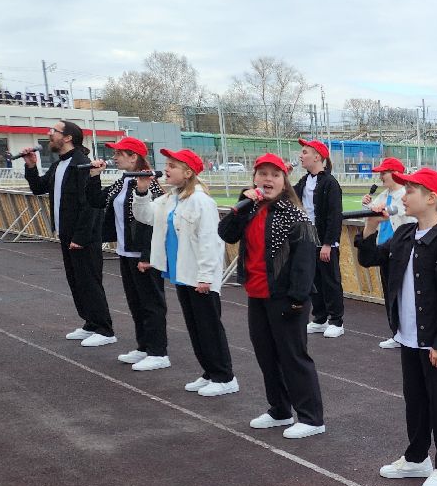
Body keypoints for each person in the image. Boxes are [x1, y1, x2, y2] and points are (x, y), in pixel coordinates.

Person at [356, 167, 437, 486]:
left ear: (431, 198)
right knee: (416, 401)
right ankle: (417, 457)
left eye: (411, 191)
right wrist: (370, 226)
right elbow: (369, 258)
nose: (404, 196)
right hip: (409, 336)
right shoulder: (405, 234)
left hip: (436, 342)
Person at [218, 154, 326, 438]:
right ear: (254, 178)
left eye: (275, 175)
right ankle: (280, 410)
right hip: (257, 293)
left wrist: (297, 299)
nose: (268, 179)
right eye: (262, 174)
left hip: (285, 297)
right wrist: (241, 205)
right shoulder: (250, 208)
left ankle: (312, 418)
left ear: (284, 181)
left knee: (293, 357)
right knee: (266, 355)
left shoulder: (295, 215)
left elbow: (305, 262)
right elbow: (226, 234)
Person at [138, 148, 236, 396]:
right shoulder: (171, 198)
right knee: (195, 326)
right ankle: (210, 372)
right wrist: (142, 191)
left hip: (199, 276)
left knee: (209, 327)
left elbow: (210, 241)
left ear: (188, 172)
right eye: (167, 164)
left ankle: (225, 376)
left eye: (173, 165)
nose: (167, 169)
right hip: (181, 273)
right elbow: (145, 216)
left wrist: (205, 276)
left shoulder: (201, 201)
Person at [23, 119, 116, 346]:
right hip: (66, 233)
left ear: (67, 137)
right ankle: (90, 323)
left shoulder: (82, 164)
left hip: (83, 236)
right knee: (76, 281)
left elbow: (90, 205)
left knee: (89, 282)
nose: (49, 134)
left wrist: (80, 237)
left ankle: (105, 329)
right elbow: (38, 188)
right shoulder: (59, 165)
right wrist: (31, 166)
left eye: (54, 131)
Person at [86, 138, 167, 370]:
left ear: (134, 157)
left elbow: (155, 223)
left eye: (119, 153)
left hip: (144, 254)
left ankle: (158, 352)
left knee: (151, 303)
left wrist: (147, 256)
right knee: (136, 303)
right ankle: (144, 347)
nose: (114, 157)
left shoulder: (150, 183)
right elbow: (96, 201)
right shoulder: (123, 181)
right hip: (126, 251)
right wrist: (94, 176)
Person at [296, 138, 345, 338]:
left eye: (305, 152)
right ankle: (320, 318)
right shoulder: (303, 182)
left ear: (317, 157)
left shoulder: (330, 183)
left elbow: (334, 215)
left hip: (325, 241)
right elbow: (288, 197)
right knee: (314, 280)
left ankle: (336, 321)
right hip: (308, 240)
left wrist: (328, 243)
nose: (301, 156)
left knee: (330, 280)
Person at [362, 158, 409, 349]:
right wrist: (367, 206)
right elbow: (373, 216)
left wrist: (379, 210)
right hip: (384, 250)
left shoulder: (405, 194)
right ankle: (396, 332)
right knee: (390, 294)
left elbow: (398, 211)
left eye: (384, 173)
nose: (381, 177)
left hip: (400, 251)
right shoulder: (384, 195)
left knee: (402, 293)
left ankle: (404, 332)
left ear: (396, 174)